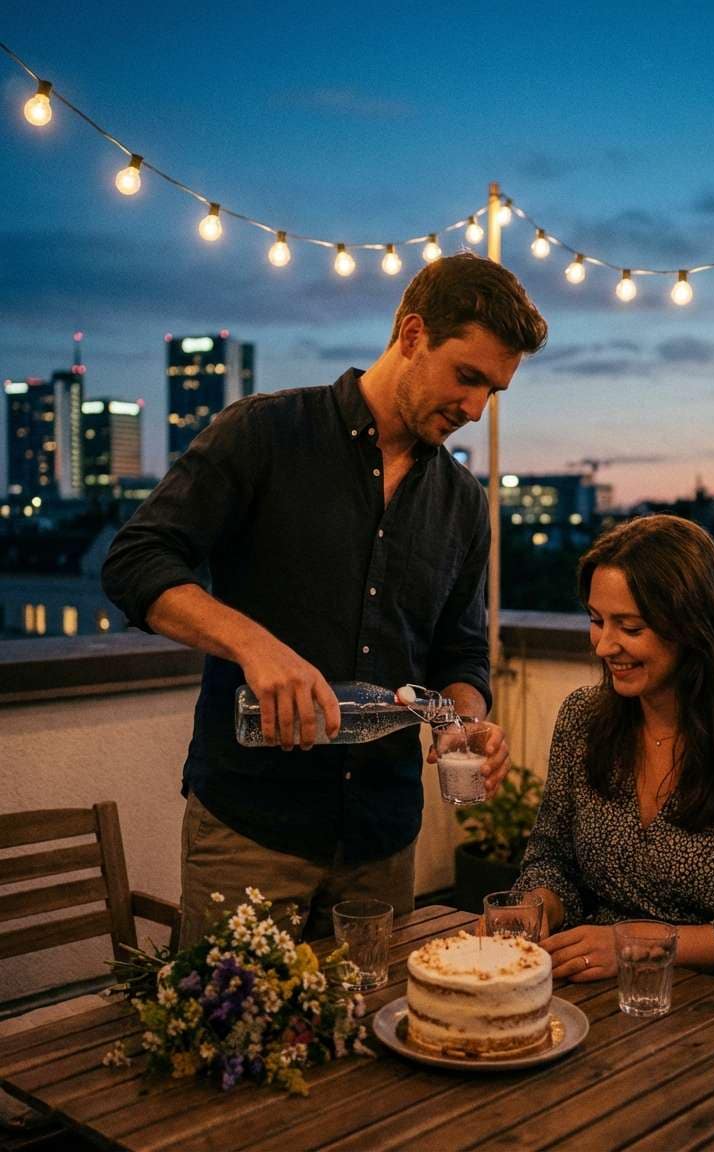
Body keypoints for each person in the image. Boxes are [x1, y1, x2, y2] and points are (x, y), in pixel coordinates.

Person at [102, 253, 548, 946]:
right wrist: (254, 645)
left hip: (382, 843)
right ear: (412, 335)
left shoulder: (464, 504)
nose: (474, 408)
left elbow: (460, 652)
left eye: (493, 390)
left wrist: (464, 719)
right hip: (251, 831)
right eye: (467, 376)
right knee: (227, 1019)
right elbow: (135, 561)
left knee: (375, 1019)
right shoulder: (263, 433)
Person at [514, 514, 714, 999]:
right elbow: (552, 858)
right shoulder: (583, 719)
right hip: (604, 993)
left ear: (692, 627)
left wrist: (635, 943)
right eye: (596, 620)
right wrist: (535, 906)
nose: (604, 645)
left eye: (630, 627)